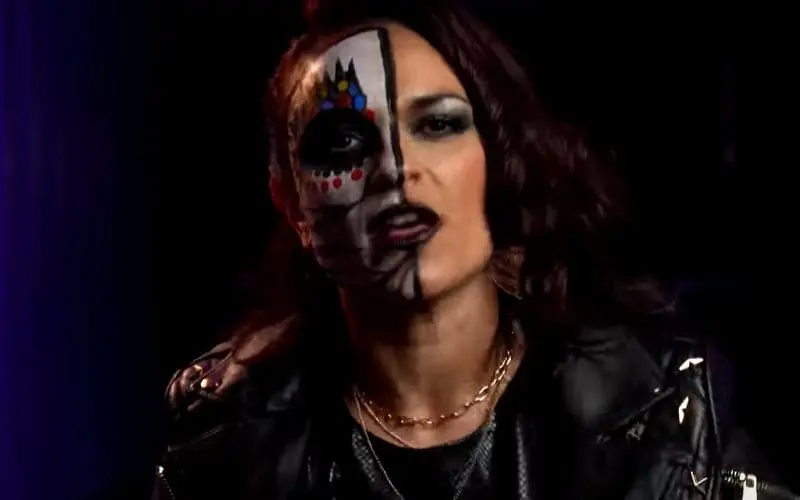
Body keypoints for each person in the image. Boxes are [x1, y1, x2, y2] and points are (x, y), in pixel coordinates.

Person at [152, 1, 796, 498]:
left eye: (437, 124)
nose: (397, 170)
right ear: (291, 203)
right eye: (342, 142)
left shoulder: (661, 411)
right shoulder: (227, 444)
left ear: (498, 160)